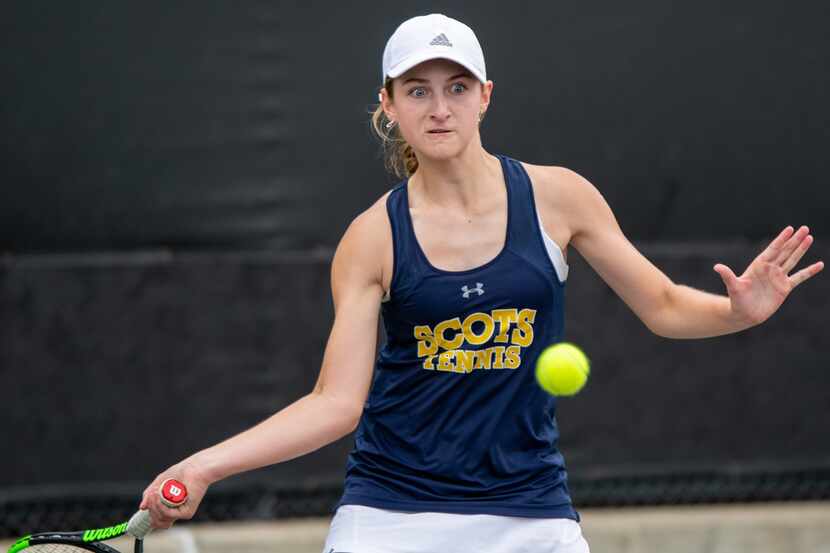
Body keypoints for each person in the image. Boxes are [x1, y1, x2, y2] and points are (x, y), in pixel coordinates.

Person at [137, 12, 824, 553]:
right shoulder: (371, 237)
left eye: (457, 87)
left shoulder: (559, 198)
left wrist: (740, 313)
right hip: (389, 515)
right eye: (418, 90)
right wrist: (205, 465)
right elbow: (336, 403)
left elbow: (665, 305)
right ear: (389, 104)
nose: (440, 108)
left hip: (530, 513)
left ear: (485, 96)